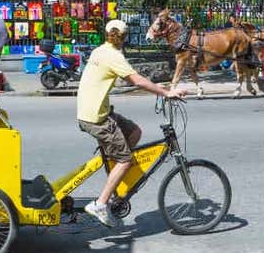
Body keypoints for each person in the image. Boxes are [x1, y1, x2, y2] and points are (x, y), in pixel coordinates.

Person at [77, 19, 186, 227]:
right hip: (96, 119)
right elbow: (137, 81)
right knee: (125, 160)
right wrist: (166, 92)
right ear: (124, 38)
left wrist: (158, 88)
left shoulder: (100, 51)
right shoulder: (114, 56)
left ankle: (116, 175)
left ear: (106, 34)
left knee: (134, 132)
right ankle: (101, 203)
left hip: (96, 112)